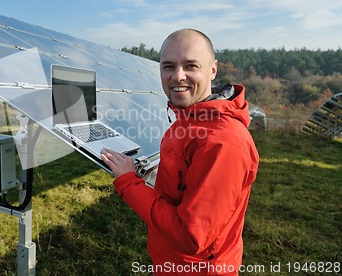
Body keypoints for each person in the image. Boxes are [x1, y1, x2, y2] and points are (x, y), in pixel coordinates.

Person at [101, 28, 259, 276]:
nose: (177, 76)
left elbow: (190, 236)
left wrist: (129, 183)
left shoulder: (222, 142)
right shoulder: (190, 119)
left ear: (213, 69)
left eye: (191, 66)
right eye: (168, 66)